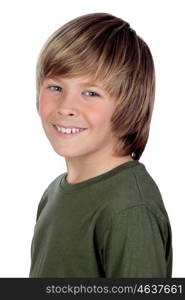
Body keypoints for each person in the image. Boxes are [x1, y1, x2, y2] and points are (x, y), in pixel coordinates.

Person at [29, 12, 172, 278]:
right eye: (55, 88)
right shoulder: (54, 193)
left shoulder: (130, 208)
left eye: (91, 93)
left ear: (129, 106)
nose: (66, 107)